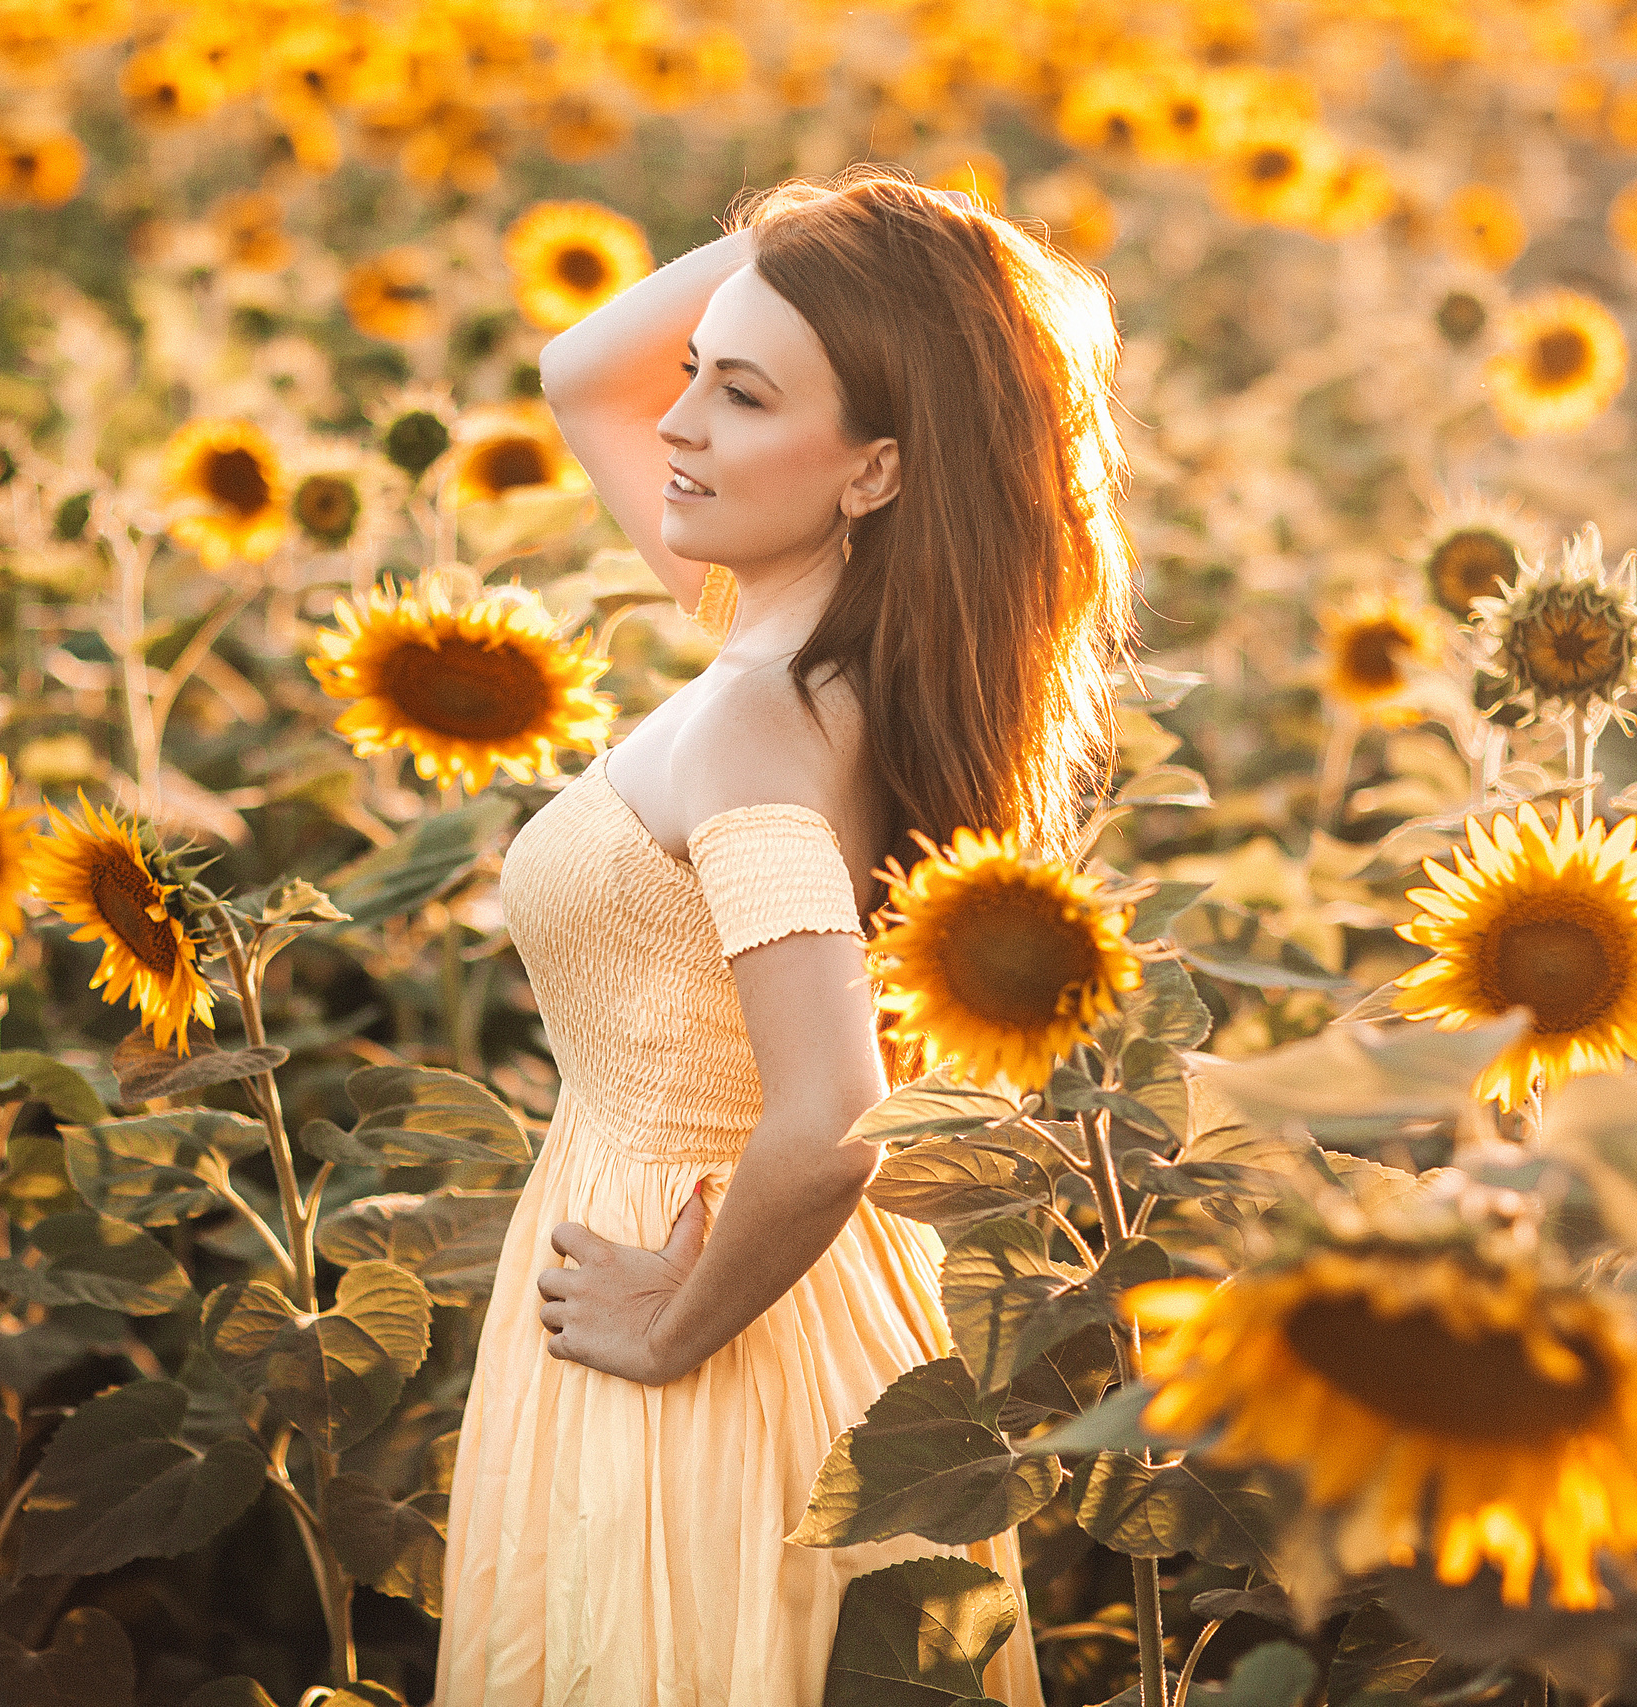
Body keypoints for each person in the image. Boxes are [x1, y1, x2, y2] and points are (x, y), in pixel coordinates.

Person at [433, 166, 1135, 1707]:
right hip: (774, 1299)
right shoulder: (803, 643)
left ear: (872, 474)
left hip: (706, 1330)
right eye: (696, 374)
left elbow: (830, 1118)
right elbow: (579, 370)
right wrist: (838, 244)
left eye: (740, 396)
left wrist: (674, 1325)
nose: (677, 421)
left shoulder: (759, 717)